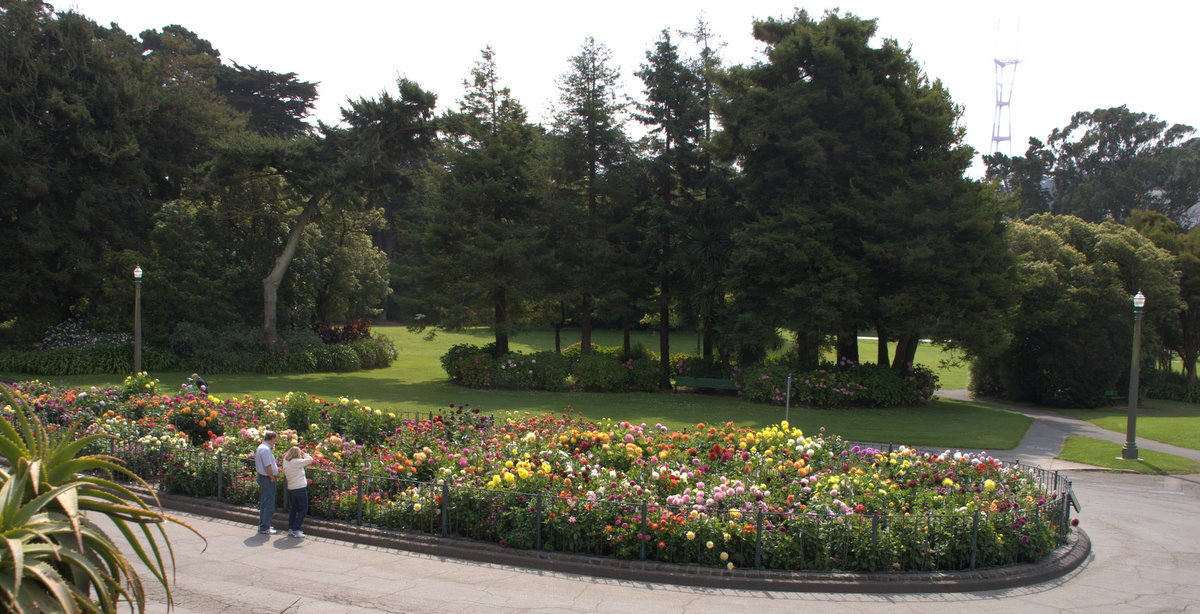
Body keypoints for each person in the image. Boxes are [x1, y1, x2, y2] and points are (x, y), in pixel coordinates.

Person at [281, 446, 314, 538]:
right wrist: (304, 454)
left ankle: (291, 528)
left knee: (294, 508)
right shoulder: (297, 462)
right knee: (304, 508)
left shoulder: (286, 462)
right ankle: (296, 528)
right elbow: (310, 460)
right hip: (300, 487)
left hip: (292, 487)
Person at [254, 431, 279, 534]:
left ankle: (263, 524)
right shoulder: (265, 449)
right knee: (268, 503)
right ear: (272, 439)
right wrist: (272, 477)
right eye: (275, 439)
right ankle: (265, 526)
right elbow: (267, 466)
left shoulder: (261, 447)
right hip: (267, 478)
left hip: (263, 477)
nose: (275, 441)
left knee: (264, 502)